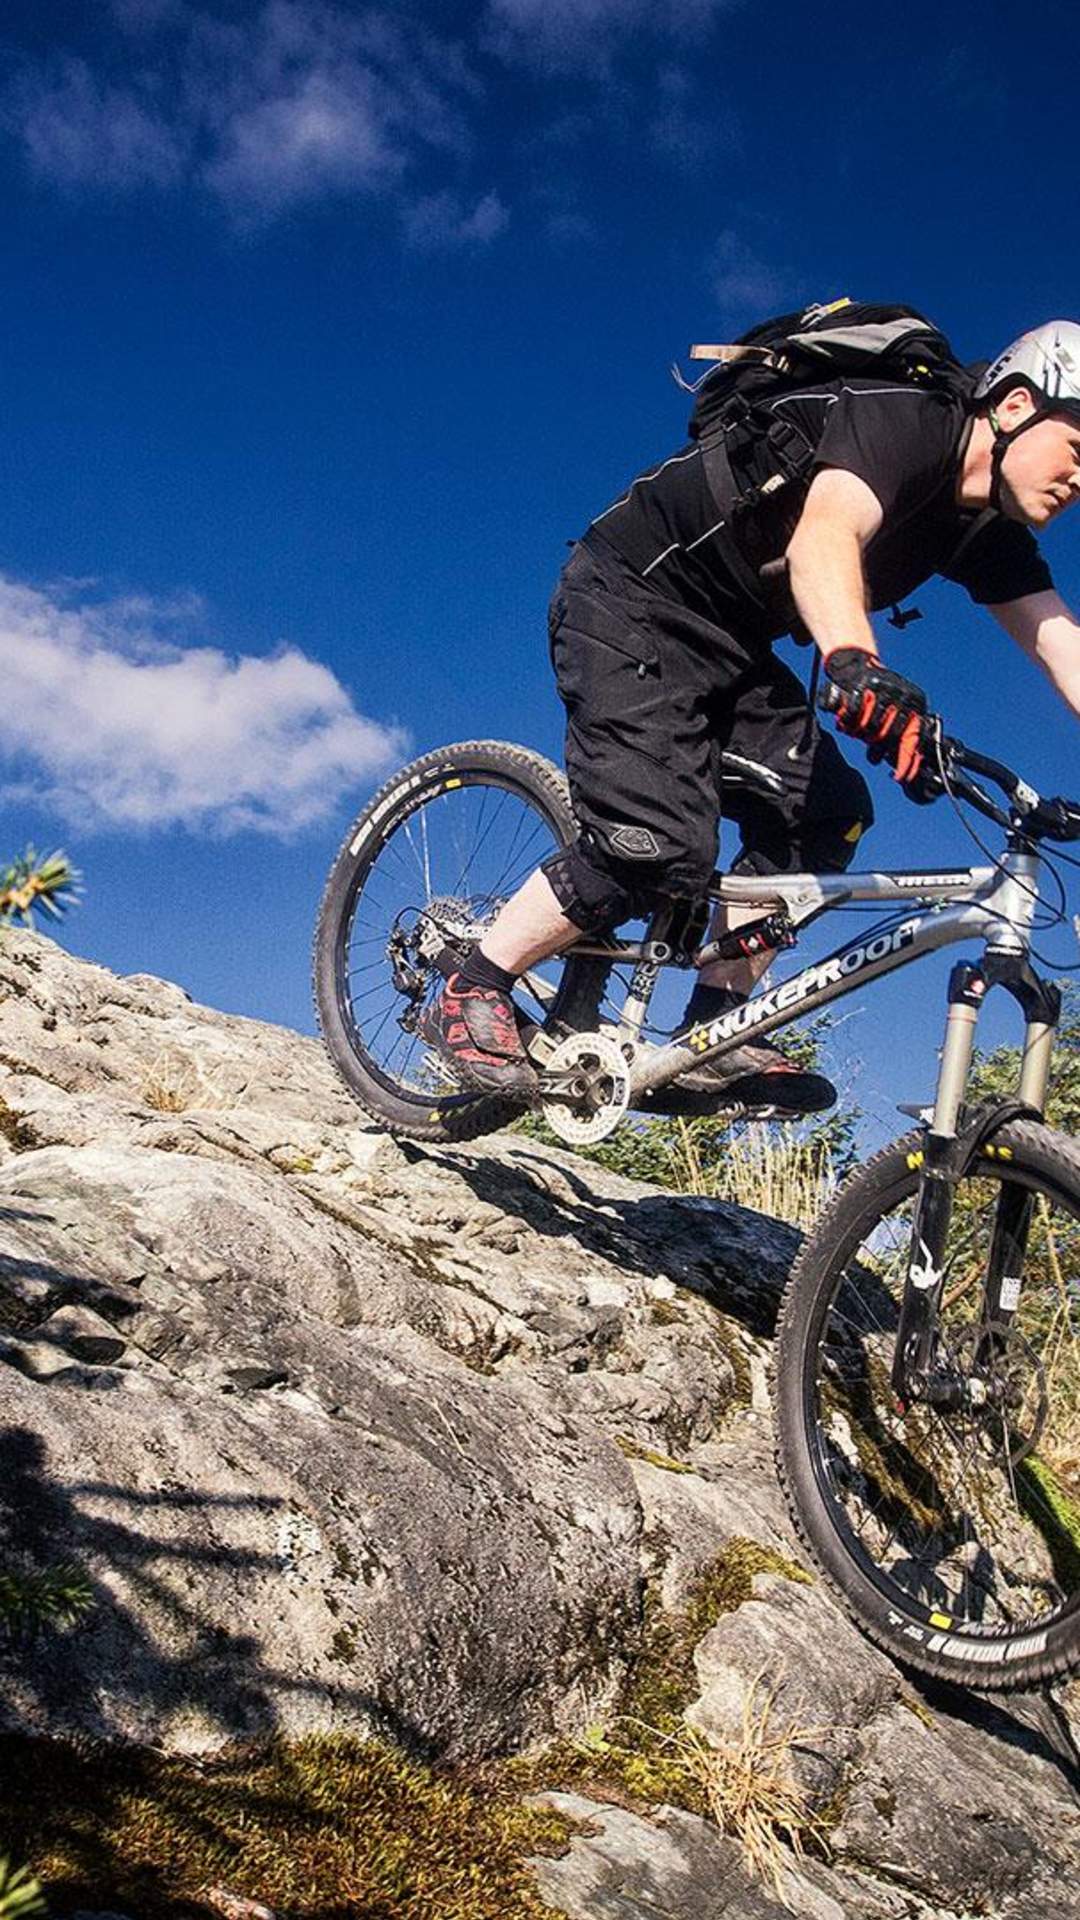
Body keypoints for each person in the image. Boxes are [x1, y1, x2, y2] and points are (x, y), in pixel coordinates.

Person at [421, 319, 1080, 1107]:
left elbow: (1061, 645)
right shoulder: (904, 419)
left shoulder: (985, 533)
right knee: (656, 846)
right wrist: (856, 663)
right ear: (1014, 405)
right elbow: (825, 537)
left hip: (731, 644)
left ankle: (715, 1028)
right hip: (630, 595)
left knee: (826, 815)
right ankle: (471, 985)